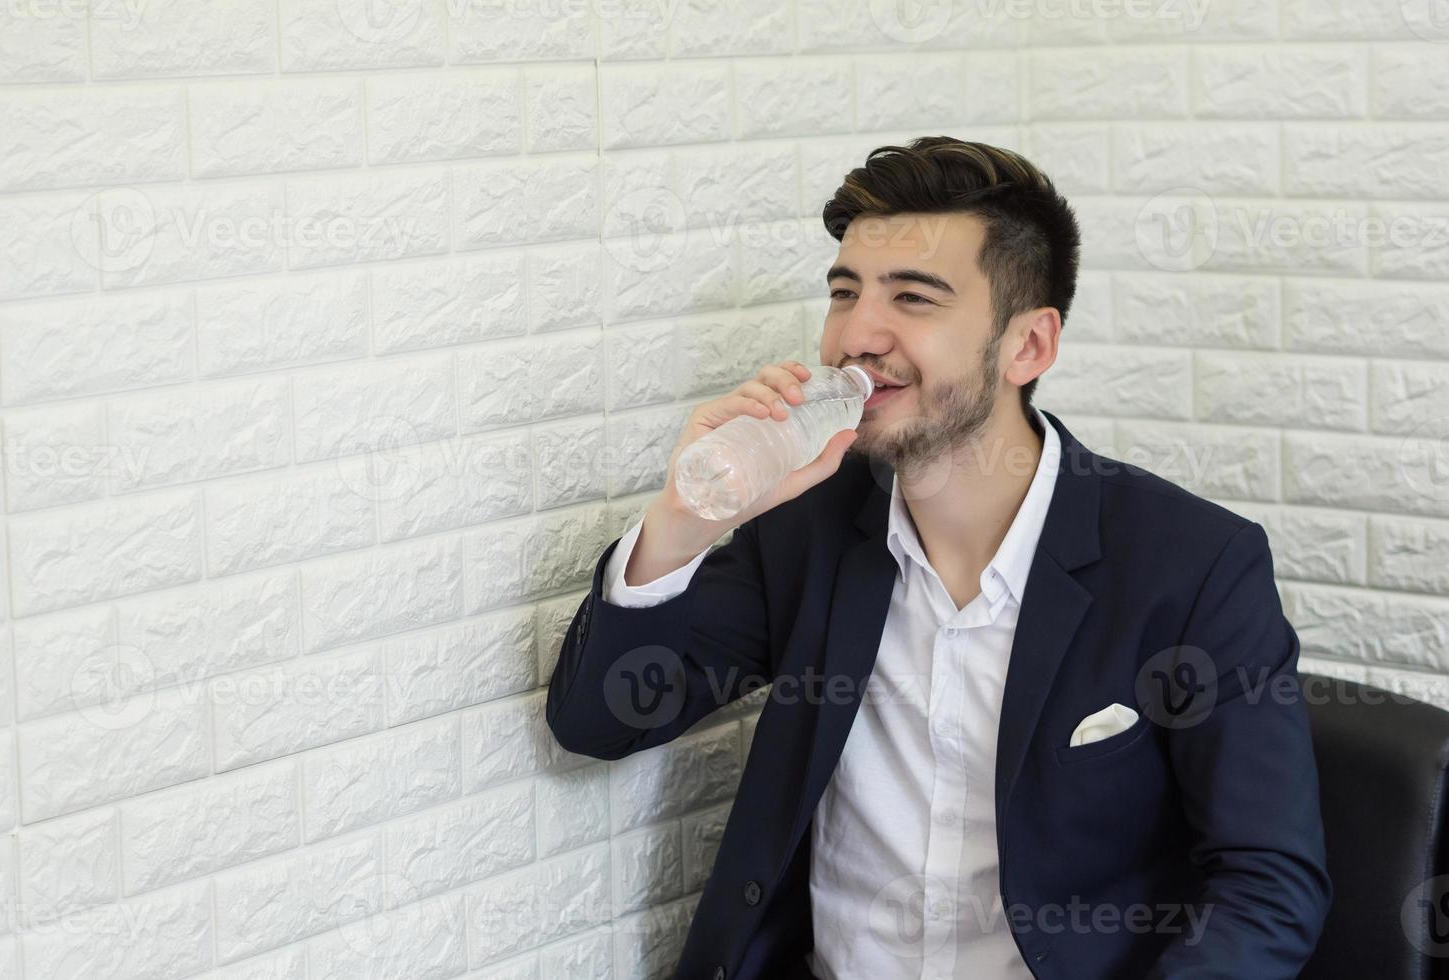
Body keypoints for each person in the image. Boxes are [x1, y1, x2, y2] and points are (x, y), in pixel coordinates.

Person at [545, 136, 1331, 979]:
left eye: (912, 298)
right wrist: (686, 517)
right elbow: (598, 723)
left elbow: (1267, 884)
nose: (855, 335)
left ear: (1028, 347)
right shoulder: (809, 527)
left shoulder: (1192, 565)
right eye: (844, 293)